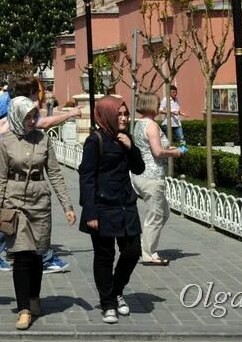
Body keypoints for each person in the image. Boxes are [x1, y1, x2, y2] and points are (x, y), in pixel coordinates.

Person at [0, 96, 76, 330]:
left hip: (40, 200)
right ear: (17, 115)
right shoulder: (6, 141)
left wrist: (67, 206)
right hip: (14, 200)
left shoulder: (43, 139)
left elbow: (55, 174)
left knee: (38, 254)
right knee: (21, 255)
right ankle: (24, 309)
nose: (31, 121)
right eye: (27, 117)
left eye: (33, 116)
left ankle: (35, 297)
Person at [79, 97, 144, 324]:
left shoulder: (125, 138)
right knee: (105, 256)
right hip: (102, 206)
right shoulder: (94, 141)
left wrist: (131, 147)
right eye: (120, 115)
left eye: (125, 114)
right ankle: (108, 303)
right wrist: (90, 213)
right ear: (108, 115)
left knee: (132, 251)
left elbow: (139, 167)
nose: (124, 118)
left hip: (126, 204)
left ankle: (116, 290)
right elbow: (86, 177)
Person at [130, 92, 184, 266]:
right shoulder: (152, 125)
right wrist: (174, 153)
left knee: (163, 213)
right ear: (151, 106)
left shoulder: (139, 124)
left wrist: (168, 147)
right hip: (152, 176)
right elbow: (157, 152)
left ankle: (145, 245)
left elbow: (151, 147)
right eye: (157, 104)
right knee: (155, 216)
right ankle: (149, 253)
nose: (160, 107)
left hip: (142, 175)